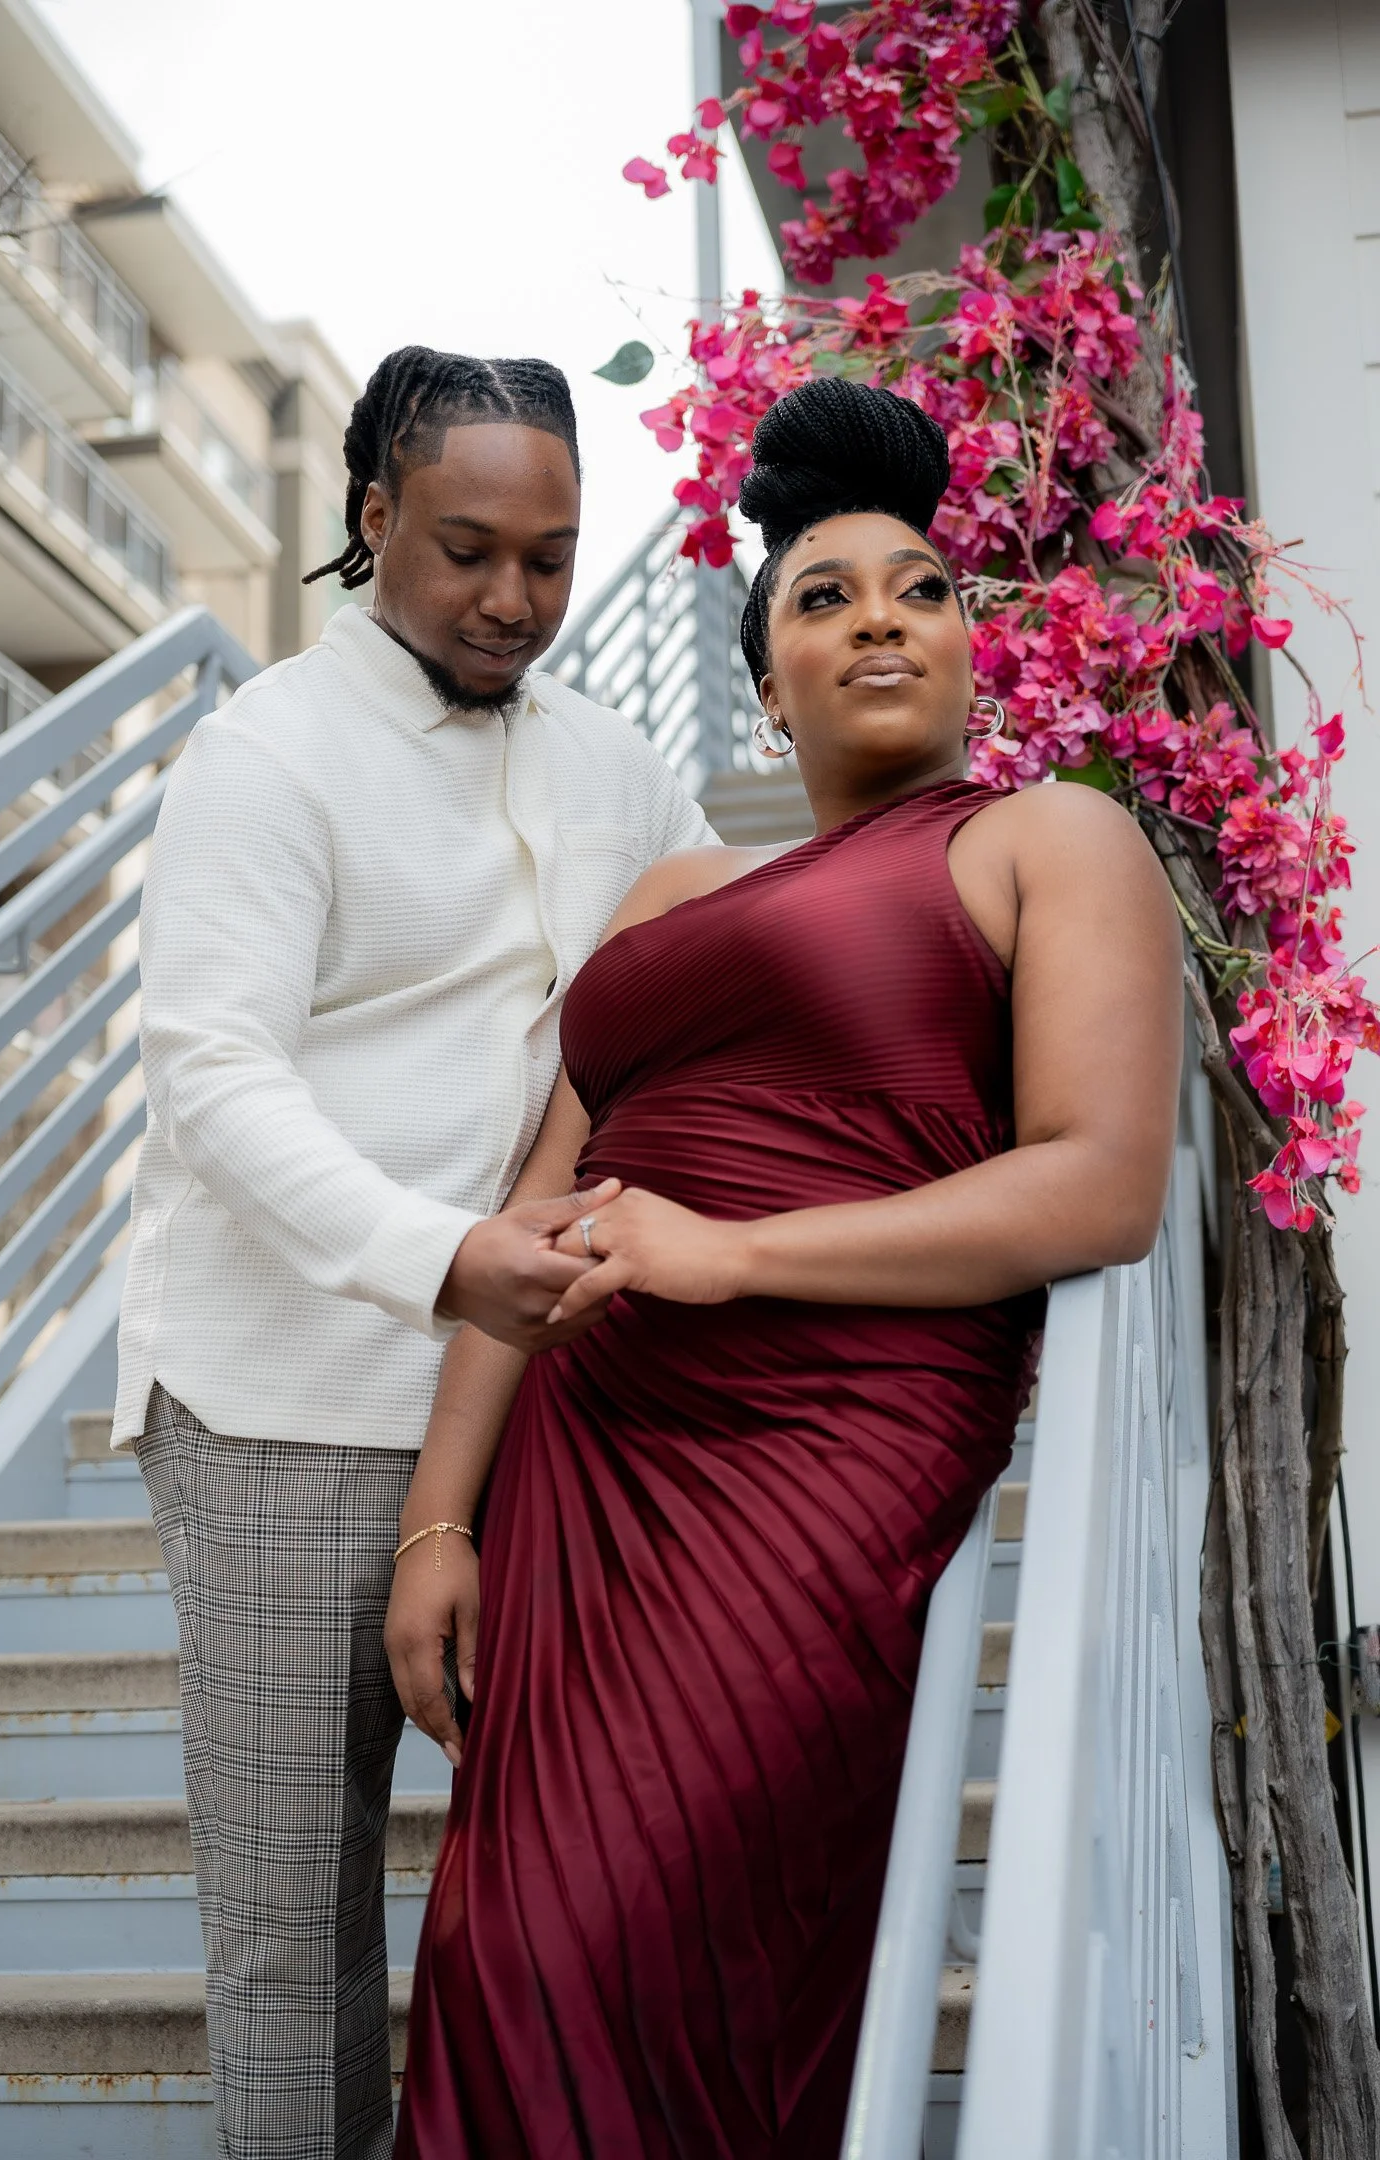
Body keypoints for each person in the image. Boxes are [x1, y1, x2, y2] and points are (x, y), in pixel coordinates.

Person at [386, 378, 1183, 2158]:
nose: (881, 615)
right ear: (768, 685)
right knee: (497, 1955)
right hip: (588, 1465)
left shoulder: (1053, 838)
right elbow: (543, 1192)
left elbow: (1099, 1186)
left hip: (826, 1448)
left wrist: (732, 1255)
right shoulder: (673, 892)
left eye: (922, 588)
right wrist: (443, 1525)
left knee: (640, 1948)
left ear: (972, 648)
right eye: (824, 600)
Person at [113, 345, 713, 2160]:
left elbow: (714, 988)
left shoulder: (626, 769)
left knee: (574, 1910)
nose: (512, 600)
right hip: (282, 1406)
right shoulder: (265, 752)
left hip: (553, 1419)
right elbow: (209, 1069)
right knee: (298, 1947)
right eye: (465, 551)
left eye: (550, 558)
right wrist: (441, 1253)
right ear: (372, 515)